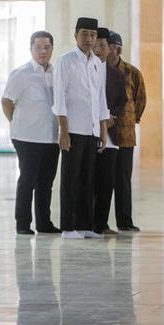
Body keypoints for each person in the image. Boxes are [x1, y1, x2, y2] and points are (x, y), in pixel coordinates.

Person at [52, 17, 110, 239]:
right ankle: (68, 226)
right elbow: (59, 99)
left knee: (88, 179)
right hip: (73, 130)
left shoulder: (97, 63)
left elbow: (100, 98)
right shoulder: (65, 61)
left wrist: (103, 130)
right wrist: (63, 131)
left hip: (92, 129)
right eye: (84, 34)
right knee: (70, 179)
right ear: (75, 35)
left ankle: (85, 225)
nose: (89, 38)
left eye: (93, 35)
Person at [1, 31, 60, 235]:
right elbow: (6, 101)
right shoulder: (22, 74)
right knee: (27, 180)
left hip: (51, 137)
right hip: (27, 137)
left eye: (47, 47)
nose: (43, 51)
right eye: (38, 47)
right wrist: (16, 122)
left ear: (52, 48)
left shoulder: (56, 73)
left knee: (46, 182)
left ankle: (44, 223)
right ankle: (23, 224)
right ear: (31, 49)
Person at [106, 31, 146, 232]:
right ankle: (99, 221)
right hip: (102, 135)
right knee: (102, 180)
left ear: (117, 48)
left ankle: (124, 222)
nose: (101, 50)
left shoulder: (132, 72)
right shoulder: (97, 70)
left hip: (124, 136)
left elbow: (140, 100)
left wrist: (130, 120)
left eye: (106, 46)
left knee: (122, 180)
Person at [93, 28, 128, 235]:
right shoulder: (84, 69)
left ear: (110, 50)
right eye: (96, 45)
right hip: (89, 133)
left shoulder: (116, 74)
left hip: (111, 135)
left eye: (103, 46)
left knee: (107, 182)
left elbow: (122, 102)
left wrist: (111, 117)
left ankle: (101, 224)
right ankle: (84, 222)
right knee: (88, 180)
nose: (99, 49)